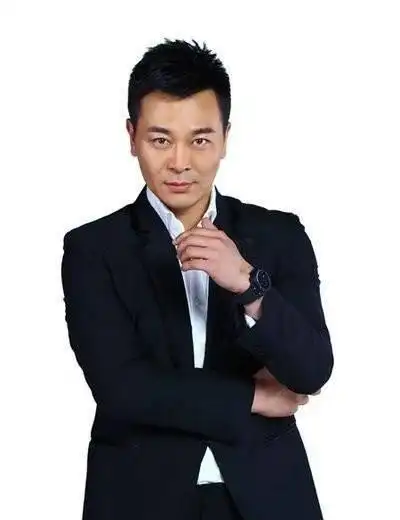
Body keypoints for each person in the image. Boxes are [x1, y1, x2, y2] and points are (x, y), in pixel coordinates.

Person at [61, 38, 333, 520]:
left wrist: (248, 284)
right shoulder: (93, 248)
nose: (180, 162)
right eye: (161, 140)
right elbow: (123, 389)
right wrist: (254, 396)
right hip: (139, 496)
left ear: (225, 137)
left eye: (200, 140)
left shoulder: (279, 235)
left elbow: (312, 370)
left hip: (266, 495)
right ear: (132, 136)